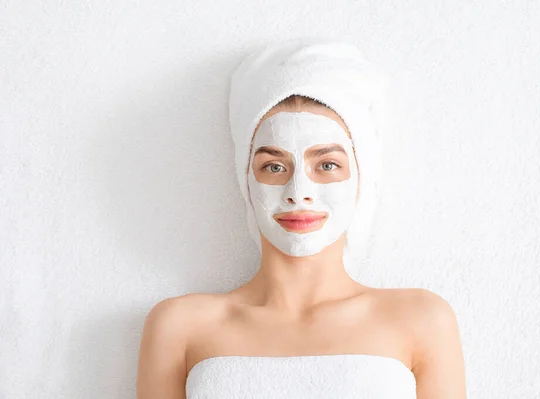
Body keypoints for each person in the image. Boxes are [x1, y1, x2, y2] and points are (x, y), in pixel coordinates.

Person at [137, 39, 466, 399]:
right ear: (246, 178)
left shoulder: (420, 319)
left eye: (326, 165)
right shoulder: (180, 326)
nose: (298, 190)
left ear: (360, 177)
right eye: (274, 166)